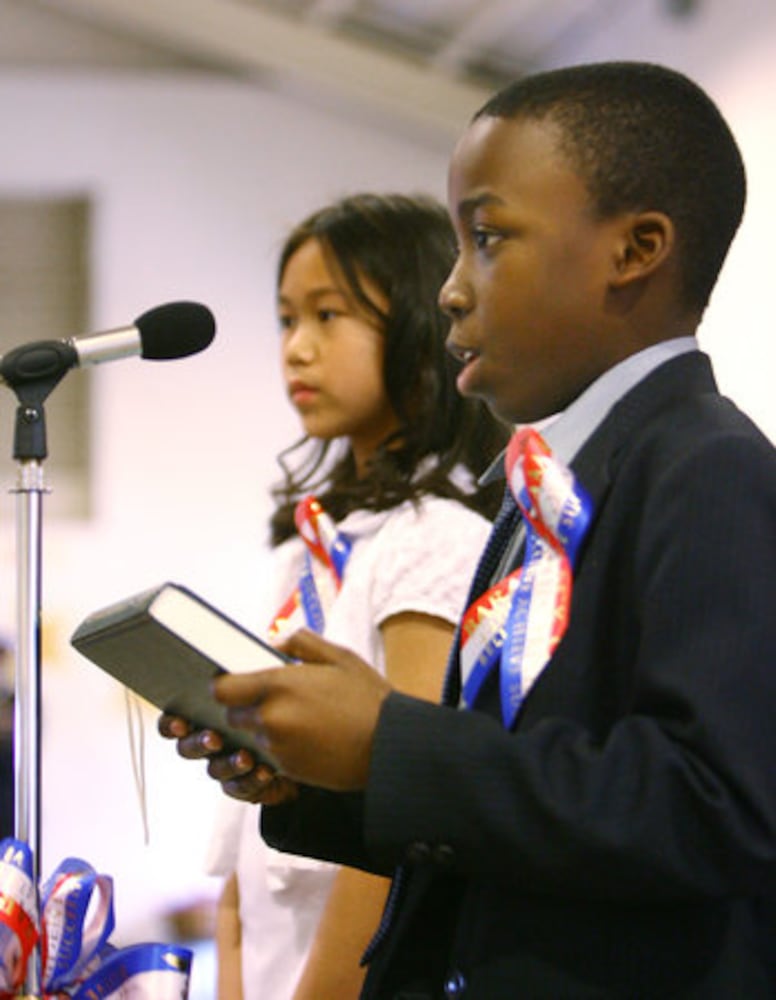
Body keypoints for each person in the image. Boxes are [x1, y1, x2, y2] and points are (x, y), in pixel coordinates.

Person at [165, 62, 776, 997]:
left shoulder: (707, 468)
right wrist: (321, 781)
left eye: (486, 239)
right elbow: (506, 807)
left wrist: (391, 743)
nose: (451, 290)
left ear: (636, 249)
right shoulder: (542, 488)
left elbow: (713, 807)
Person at [195, 193, 509, 999]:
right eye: (285, 319)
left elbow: (404, 808)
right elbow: (243, 856)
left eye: (328, 316)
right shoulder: (307, 544)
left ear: (415, 322)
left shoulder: (435, 537)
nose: (296, 349)